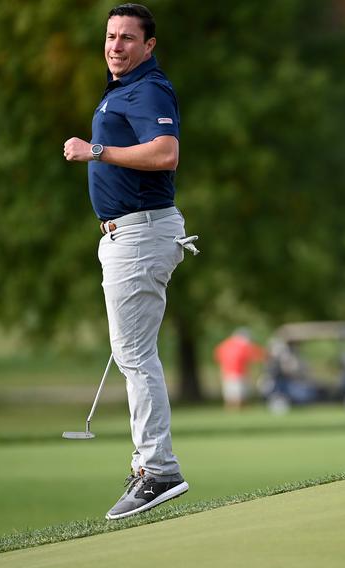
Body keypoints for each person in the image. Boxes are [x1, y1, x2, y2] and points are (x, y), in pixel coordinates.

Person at [64, 3, 197, 521]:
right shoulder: (122, 89)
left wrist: (96, 151)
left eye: (126, 38)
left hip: (141, 234)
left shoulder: (149, 89)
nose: (115, 46)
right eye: (110, 36)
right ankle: (152, 465)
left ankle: (158, 470)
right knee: (133, 353)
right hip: (131, 235)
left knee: (136, 356)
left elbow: (166, 153)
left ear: (149, 46)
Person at [214, 328, 265, 410]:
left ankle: (232, 410)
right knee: (238, 396)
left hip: (227, 373)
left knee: (231, 396)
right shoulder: (242, 346)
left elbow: (218, 357)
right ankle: (237, 410)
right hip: (238, 373)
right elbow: (255, 354)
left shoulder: (224, 345)